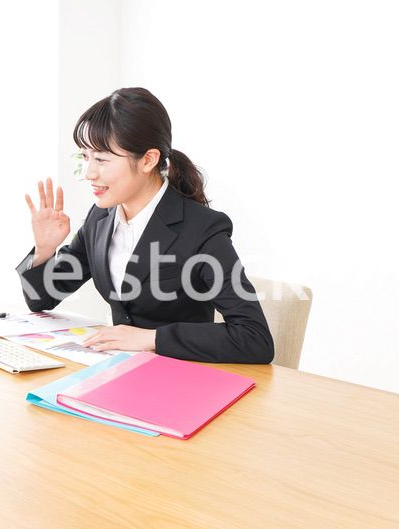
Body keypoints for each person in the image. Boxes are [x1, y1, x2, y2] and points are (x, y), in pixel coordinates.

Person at [15, 88, 274, 364]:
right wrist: (44, 251)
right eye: (85, 157)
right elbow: (42, 300)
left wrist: (152, 338)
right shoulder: (100, 218)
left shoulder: (203, 230)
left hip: (180, 374)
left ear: (148, 160)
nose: (89, 173)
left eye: (101, 159)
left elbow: (254, 337)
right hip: (116, 369)